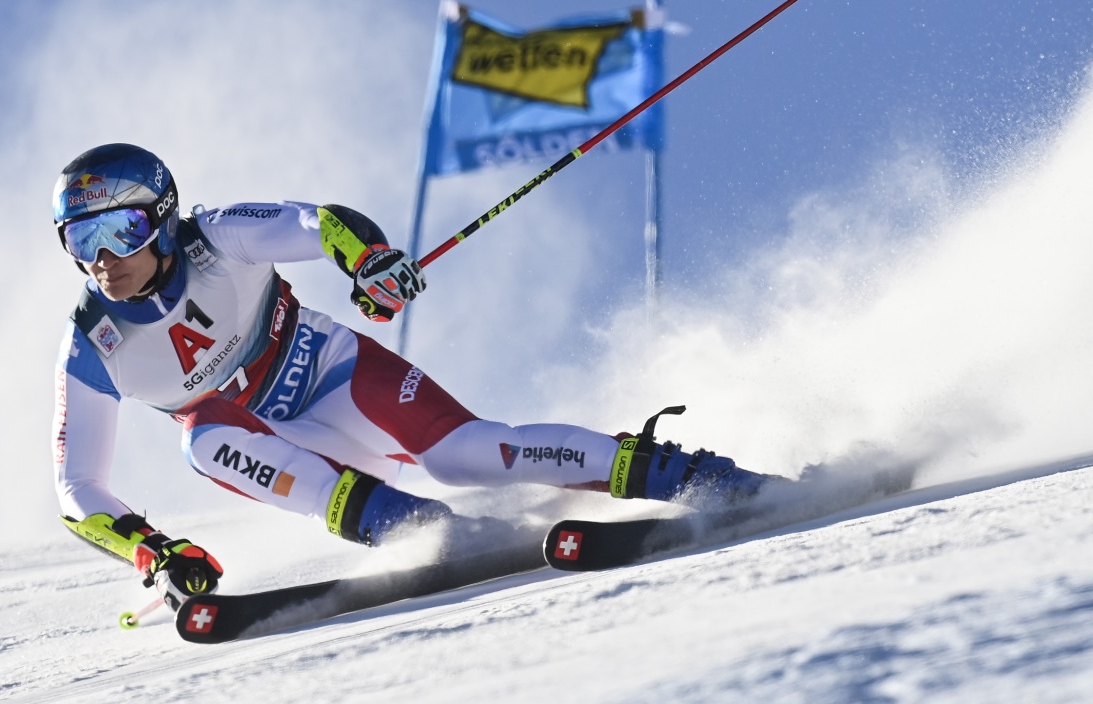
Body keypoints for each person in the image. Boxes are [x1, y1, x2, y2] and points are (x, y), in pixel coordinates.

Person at [51, 143, 772, 611]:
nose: (103, 260)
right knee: (201, 439)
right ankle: (417, 528)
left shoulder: (217, 234)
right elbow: (77, 490)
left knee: (470, 454)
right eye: (81, 243)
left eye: (122, 232)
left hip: (331, 372)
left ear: (164, 217)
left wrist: (368, 263)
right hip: (271, 442)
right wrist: (155, 552)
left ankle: (678, 474)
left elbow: (318, 222)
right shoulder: (95, 342)